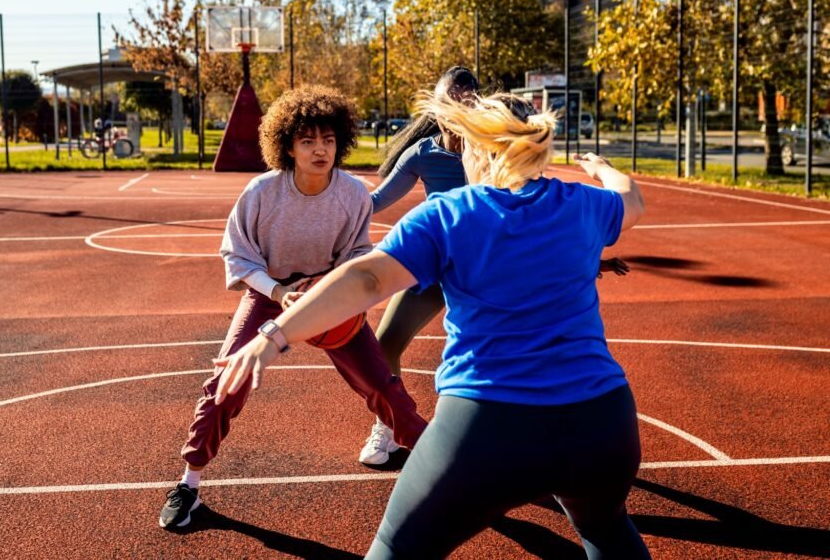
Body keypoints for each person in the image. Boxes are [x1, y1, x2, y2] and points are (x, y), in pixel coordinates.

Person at [213, 91, 650, 559]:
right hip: (604, 424)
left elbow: (365, 279)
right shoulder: (585, 205)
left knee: (394, 549)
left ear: (475, 148)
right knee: (605, 530)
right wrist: (601, 169)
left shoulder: (451, 214)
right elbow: (631, 200)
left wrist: (273, 335)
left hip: (490, 427)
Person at [158, 84, 429, 530]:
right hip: (269, 294)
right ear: (287, 145)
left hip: (329, 294)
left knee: (382, 385)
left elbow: (359, 254)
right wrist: (280, 293)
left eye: (328, 139)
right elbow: (238, 255)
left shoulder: (353, 194)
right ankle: (189, 484)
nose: (320, 149)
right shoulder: (262, 192)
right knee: (227, 379)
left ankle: (440, 467)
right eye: (308, 141)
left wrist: (336, 288)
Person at [360, 67, 628, 466]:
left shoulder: (495, 150)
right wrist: (327, 200)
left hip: (489, 266)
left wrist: (587, 257)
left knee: (508, 350)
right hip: (438, 261)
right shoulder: (423, 155)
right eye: (451, 101)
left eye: (468, 101)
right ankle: (390, 427)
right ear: (437, 108)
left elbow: (535, 217)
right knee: (384, 346)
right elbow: (374, 202)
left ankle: (528, 438)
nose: (460, 108)